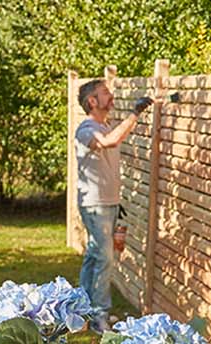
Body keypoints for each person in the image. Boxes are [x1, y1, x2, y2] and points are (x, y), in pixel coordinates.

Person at [73, 80, 145, 331]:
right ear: (92, 101)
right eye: (105, 93)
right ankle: (99, 317)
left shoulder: (105, 126)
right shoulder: (87, 130)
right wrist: (135, 114)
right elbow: (110, 141)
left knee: (94, 257)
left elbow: (114, 137)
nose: (111, 96)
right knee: (104, 258)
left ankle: (78, 309)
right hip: (94, 205)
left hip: (110, 203)